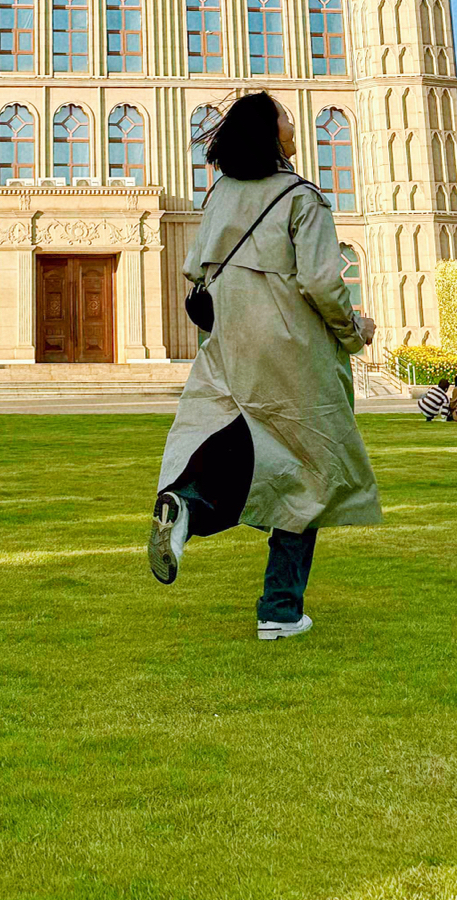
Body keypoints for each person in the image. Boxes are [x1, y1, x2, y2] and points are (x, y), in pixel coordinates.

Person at [148, 89, 381, 639]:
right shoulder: (302, 198)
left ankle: (185, 508)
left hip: (228, 345)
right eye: (287, 118)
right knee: (309, 474)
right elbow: (323, 281)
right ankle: (279, 609)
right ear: (272, 133)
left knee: (237, 452)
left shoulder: (221, 194)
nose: (294, 125)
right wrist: (354, 331)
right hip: (292, 351)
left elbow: (192, 269)